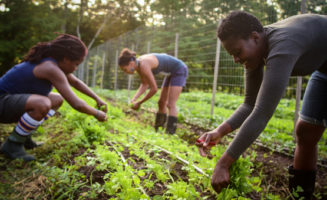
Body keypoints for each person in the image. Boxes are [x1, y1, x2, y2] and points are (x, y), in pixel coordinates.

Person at [196, 11, 327, 199]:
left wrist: (224, 163)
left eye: (238, 52)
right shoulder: (255, 54)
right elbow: (249, 104)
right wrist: (219, 132)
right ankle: (301, 196)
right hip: (323, 70)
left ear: (254, 37)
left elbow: (262, 113)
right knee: (306, 132)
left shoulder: (282, 46)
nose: (236, 60)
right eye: (232, 55)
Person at [0, 34, 108, 162]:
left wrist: (97, 98)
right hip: (2, 102)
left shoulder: (53, 63)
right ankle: (13, 144)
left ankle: (23, 136)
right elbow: (76, 103)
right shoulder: (50, 68)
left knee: (56, 100)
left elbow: (76, 83)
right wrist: (97, 113)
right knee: (42, 103)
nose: (76, 68)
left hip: (9, 102)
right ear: (66, 59)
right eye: (76, 64)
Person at [118, 48, 188, 134]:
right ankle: (158, 130)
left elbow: (154, 89)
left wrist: (139, 103)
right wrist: (134, 99)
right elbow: (144, 84)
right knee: (161, 103)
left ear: (131, 63)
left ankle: (170, 133)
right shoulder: (138, 66)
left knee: (170, 104)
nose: (126, 72)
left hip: (179, 69)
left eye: (125, 69)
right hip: (170, 73)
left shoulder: (143, 65)